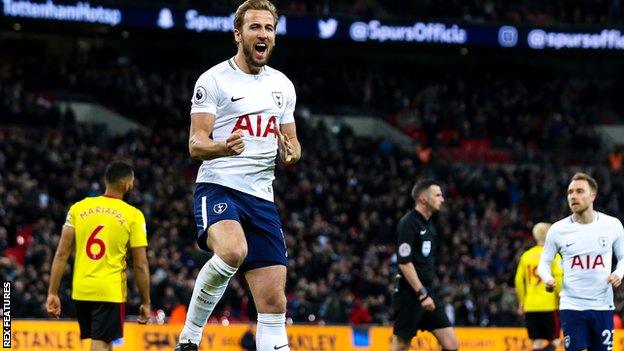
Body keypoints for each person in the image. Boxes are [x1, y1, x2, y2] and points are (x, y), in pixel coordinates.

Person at [175, 0, 301, 350]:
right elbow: (196, 143)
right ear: (238, 34)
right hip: (220, 187)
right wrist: (222, 147)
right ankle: (190, 336)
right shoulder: (213, 80)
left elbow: (292, 141)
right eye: (255, 27)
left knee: (275, 303)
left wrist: (292, 152)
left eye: (269, 28)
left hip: (262, 197)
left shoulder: (282, 86)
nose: (263, 34)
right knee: (232, 250)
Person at [46, 161, 151, 351]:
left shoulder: (78, 208)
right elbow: (140, 264)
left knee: (105, 342)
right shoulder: (133, 215)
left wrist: (52, 292)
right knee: (100, 344)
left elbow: (61, 253)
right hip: (109, 291)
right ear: (127, 185)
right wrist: (146, 301)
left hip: (81, 289)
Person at [538, 172, 624, 351]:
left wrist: (618, 273)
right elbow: (544, 263)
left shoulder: (612, 225)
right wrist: (547, 278)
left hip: (602, 306)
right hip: (572, 306)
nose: (573, 196)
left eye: (579, 191)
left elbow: (623, 257)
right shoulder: (558, 230)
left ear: (593, 195)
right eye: (570, 192)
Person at [391, 180, 459, 351]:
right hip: (411, 293)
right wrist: (421, 294)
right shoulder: (409, 223)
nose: (442, 199)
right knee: (401, 345)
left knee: (452, 344)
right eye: (437, 195)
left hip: (429, 292)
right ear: (423, 198)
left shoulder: (429, 225)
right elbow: (405, 262)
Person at [515, 222, 562, 351]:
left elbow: (519, 281)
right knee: (556, 340)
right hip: (549, 305)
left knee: (536, 343)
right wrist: (561, 298)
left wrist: (522, 302)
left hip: (530, 306)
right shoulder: (553, 256)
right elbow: (558, 279)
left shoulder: (526, 256)